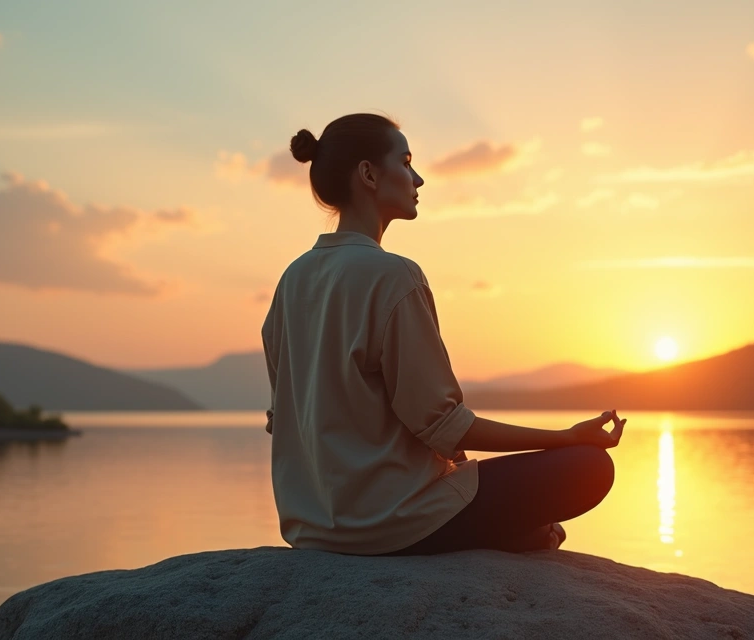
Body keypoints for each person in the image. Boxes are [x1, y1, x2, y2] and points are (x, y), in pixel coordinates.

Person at [260, 113, 625, 557]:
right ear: (369, 174)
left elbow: (283, 419)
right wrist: (568, 437)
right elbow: (443, 426)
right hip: (395, 524)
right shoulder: (394, 277)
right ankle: (520, 534)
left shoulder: (292, 280)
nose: (418, 178)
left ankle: (518, 534)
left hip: (314, 529)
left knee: (486, 491)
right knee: (589, 467)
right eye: (406, 161)